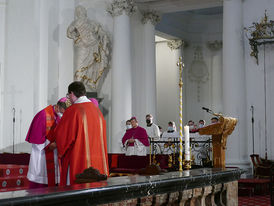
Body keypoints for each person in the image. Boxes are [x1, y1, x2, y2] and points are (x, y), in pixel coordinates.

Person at [50, 81, 109, 186]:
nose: (68, 98)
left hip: (78, 160)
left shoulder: (73, 110)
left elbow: (63, 136)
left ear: (72, 93)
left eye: (68, 95)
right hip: (98, 161)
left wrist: (56, 144)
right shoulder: (97, 111)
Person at [25, 97, 69, 189]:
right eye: (63, 111)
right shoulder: (43, 115)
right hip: (42, 155)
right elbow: (36, 140)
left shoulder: (59, 116)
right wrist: (50, 145)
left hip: (55, 153)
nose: (63, 114)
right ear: (57, 107)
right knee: (41, 184)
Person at [67, 5, 110, 89]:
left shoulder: (92, 23)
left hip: (93, 46)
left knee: (91, 66)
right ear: (77, 14)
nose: (80, 12)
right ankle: (77, 88)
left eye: (81, 10)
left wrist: (103, 36)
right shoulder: (76, 23)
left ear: (84, 12)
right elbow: (69, 32)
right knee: (79, 66)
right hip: (81, 47)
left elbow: (101, 32)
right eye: (78, 11)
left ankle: (87, 85)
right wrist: (76, 37)